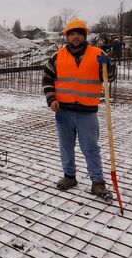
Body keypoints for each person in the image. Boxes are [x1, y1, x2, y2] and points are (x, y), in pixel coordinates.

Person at [42, 18, 116, 200]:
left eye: (79, 33)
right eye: (71, 34)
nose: (75, 37)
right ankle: (69, 177)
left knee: (90, 147)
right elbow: (47, 80)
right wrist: (51, 99)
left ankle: (98, 182)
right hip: (63, 112)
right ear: (66, 36)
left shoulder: (97, 53)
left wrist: (109, 65)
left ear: (84, 35)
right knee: (66, 146)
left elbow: (110, 78)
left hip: (87, 112)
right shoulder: (58, 56)